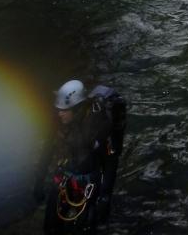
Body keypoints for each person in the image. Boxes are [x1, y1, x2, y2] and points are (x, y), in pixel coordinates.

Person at [34, 80, 126, 233]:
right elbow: (47, 150)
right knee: (50, 228)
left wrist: (105, 196)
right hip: (64, 177)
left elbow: (110, 161)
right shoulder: (59, 124)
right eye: (59, 109)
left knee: (86, 228)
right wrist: (39, 181)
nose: (60, 113)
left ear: (76, 109)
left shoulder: (97, 125)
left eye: (65, 110)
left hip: (89, 184)